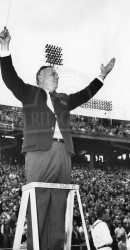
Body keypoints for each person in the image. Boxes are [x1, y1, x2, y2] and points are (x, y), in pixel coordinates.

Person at [0, 27, 115, 250]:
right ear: (40, 77)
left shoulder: (62, 99)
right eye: (53, 74)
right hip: (39, 152)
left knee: (59, 205)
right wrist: (4, 48)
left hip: (64, 153)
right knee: (39, 201)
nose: (57, 77)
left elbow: (85, 94)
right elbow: (10, 78)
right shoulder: (29, 93)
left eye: (58, 75)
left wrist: (102, 76)